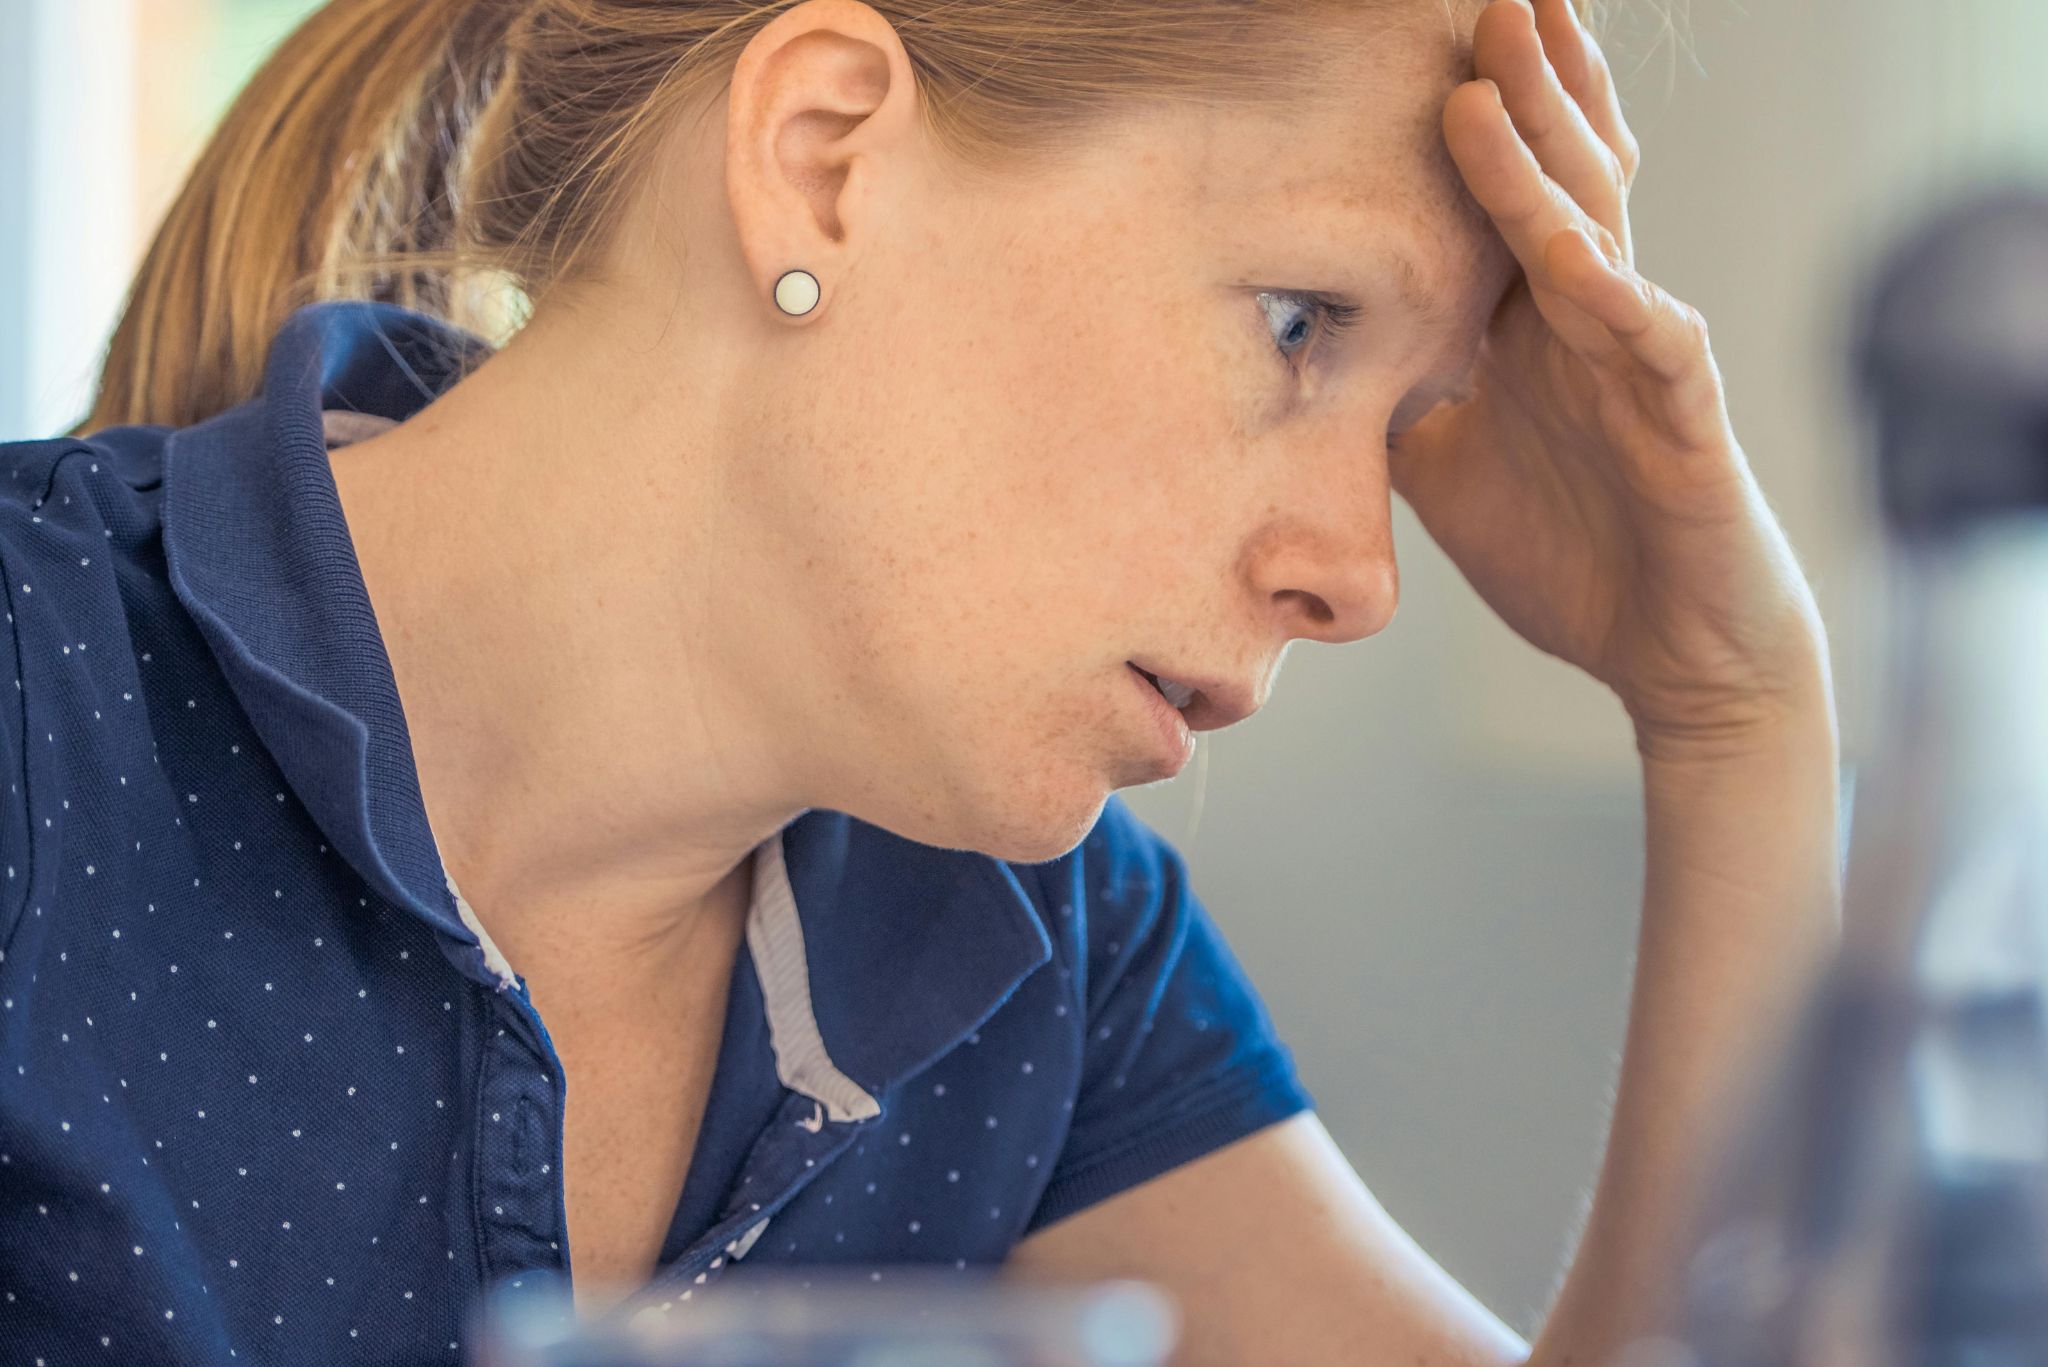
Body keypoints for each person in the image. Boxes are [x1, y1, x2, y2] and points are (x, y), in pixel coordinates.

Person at [0, 0, 1845, 1361]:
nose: (1359, 579)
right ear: (824, 157)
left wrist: (1732, 711)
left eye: (1413, 420)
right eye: (1301, 325)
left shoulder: (1034, 949)